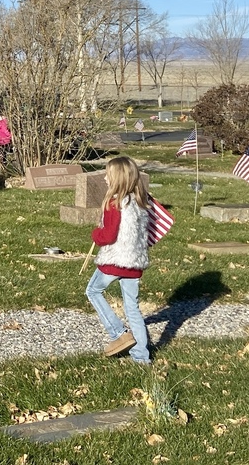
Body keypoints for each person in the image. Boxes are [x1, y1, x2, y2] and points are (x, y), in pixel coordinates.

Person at [85, 155, 151, 365]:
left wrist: (96, 234)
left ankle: (118, 333)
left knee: (93, 291)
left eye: (108, 175)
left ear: (118, 178)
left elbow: (109, 235)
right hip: (135, 262)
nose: (105, 178)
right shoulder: (140, 202)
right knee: (132, 307)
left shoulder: (114, 203)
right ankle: (141, 357)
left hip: (115, 260)